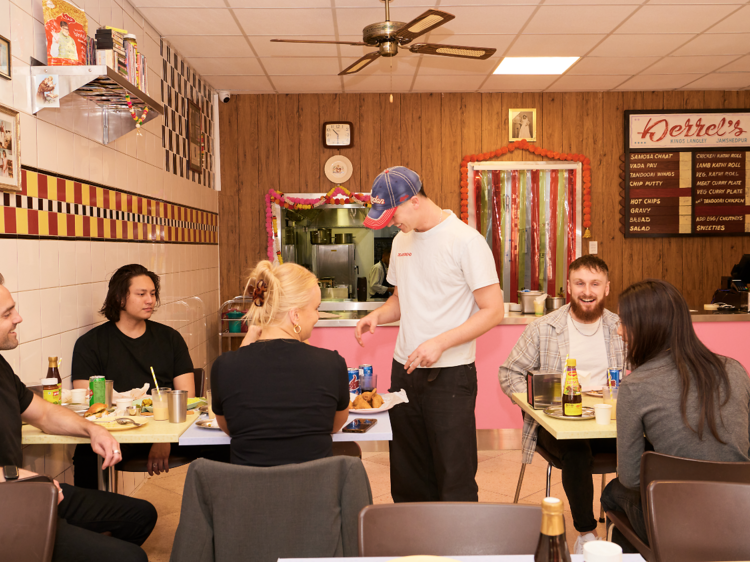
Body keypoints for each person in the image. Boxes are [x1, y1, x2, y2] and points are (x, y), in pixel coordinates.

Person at [355, 166, 504, 502]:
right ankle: (416, 549)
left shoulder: (466, 240)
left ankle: (456, 551)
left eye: (392, 214)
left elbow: (494, 310)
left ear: (413, 200)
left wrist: (440, 342)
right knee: (408, 473)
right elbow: (400, 300)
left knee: (455, 476)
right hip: (404, 372)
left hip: (450, 376)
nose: (392, 223)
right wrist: (377, 315)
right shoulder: (400, 241)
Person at [0, 272, 157, 562]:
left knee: (141, 515)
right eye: (7, 313)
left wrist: (92, 430)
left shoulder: (1, 368)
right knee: (131, 558)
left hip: (27, 491)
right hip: (10, 508)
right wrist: (33, 482)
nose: (19, 318)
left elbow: (45, 413)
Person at [601, 279, 750, 551]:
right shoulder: (735, 369)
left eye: (623, 322)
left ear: (647, 327)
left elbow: (632, 478)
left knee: (612, 492)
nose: (619, 331)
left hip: (677, 521)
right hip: (741, 512)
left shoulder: (635, 386)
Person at [499, 255, 625, 554]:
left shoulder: (621, 328)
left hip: (608, 425)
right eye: (580, 283)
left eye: (595, 284)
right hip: (559, 426)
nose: (587, 291)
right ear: (569, 286)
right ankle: (587, 533)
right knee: (577, 451)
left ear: (607, 288)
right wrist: (542, 404)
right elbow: (509, 374)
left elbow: (645, 371)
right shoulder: (544, 328)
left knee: (647, 447)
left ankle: (630, 528)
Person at [72, 264, 227, 488]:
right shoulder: (91, 344)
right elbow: (90, 404)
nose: (150, 300)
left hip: (170, 428)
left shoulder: (170, 339)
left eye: (153, 294)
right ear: (119, 298)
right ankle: (92, 518)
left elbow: (187, 397)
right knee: (87, 451)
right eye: (141, 294)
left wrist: (162, 437)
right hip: (120, 431)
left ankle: (220, 513)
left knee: (223, 442)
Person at [211, 261, 350, 466]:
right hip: (314, 493)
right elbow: (334, 425)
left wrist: (248, 340)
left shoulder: (225, 366)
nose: (317, 316)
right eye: (316, 308)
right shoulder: (332, 364)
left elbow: (230, 427)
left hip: (247, 494)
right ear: (295, 315)